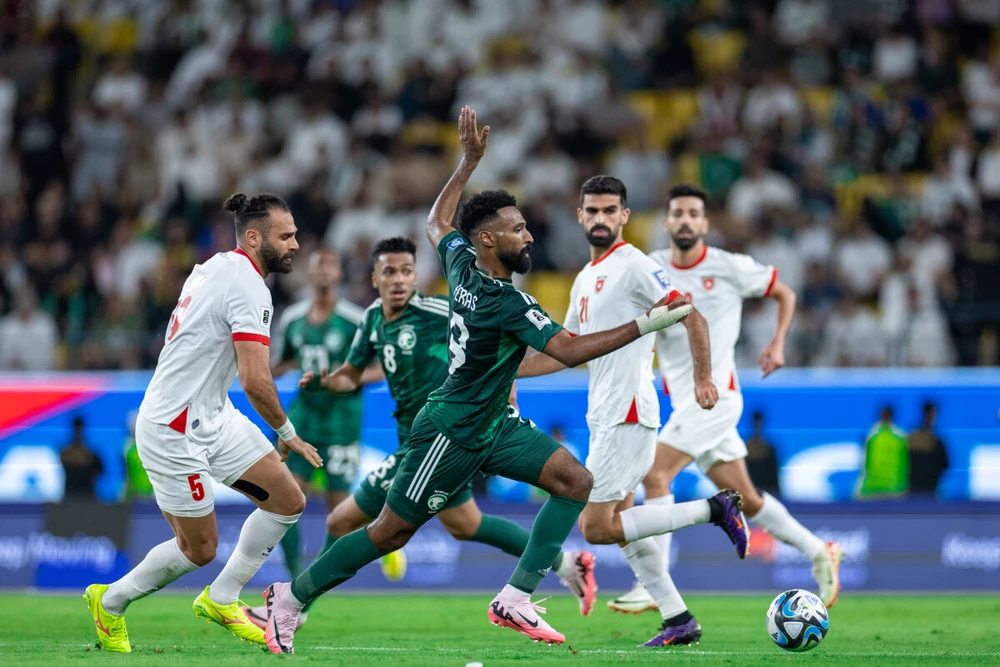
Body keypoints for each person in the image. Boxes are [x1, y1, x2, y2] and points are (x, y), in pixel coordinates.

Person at [259, 107, 694, 653]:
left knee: (574, 482)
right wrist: (645, 324)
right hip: (452, 430)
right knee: (389, 532)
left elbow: (437, 224)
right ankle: (290, 599)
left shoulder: (462, 263)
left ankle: (515, 597)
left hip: (494, 424)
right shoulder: (505, 301)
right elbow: (567, 350)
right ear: (489, 239)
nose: (528, 235)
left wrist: (466, 163)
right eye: (518, 229)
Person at [244, 236, 594, 631]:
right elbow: (351, 375)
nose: (398, 280)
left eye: (406, 271)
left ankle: (293, 606)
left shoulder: (440, 311)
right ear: (374, 278)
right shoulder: (373, 319)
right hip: (421, 442)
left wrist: (506, 384)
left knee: (343, 522)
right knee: (466, 525)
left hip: (436, 440)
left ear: (416, 277)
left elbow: (493, 343)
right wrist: (328, 381)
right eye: (389, 272)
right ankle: (566, 563)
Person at [84, 192, 322, 653]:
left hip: (212, 415)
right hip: (172, 429)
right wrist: (287, 433)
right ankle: (109, 602)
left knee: (288, 500)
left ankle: (222, 598)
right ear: (253, 238)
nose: (295, 244)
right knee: (199, 549)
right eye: (286, 236)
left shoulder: (214, 266)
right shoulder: (248, 286)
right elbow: (255, 380)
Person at [517, 175, 749, 648]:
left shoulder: (635, 265)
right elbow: (567, 351)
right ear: (580, 216)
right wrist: (509, 371)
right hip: (605, 414)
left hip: (627, 411)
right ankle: (678, 619)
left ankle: (714, 508)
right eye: (592, 210)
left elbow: (692, 315)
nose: (600, 218)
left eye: (610, 210)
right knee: (623, 528)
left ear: (624, 216)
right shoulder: (586, 277)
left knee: (595, 526)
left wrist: (703, 378)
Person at [608, 184, 843, 638]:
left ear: (705, 223)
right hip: (684, 402)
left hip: (718, 398)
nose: (685, 220)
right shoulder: (651, 267)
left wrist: (778, 343)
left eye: (693, 213)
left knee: (655, 475)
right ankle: (820, 551)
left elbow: (785, 293)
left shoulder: (728, 266)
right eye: (678, 213)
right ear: (666, 221)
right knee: (747, 499)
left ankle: (652, 583)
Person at [268, 248, 369, 581]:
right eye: (318, 265)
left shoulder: (356, 320)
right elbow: (284, 361)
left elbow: (381, 366)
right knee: (284, 501)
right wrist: (257, 367)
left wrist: (345, 380)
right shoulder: (292, 318)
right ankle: (297, 578)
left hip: (342, 423)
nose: (324, 271)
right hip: (303, 422)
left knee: (339, 514)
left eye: (330, 265)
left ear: (339, 273)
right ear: (309, 274)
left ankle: (312, 585)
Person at [859, 405, 909, 498]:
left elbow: (905, 465)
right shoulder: (900, 437)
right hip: (882, 489)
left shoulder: (872, 435)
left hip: (886, 489)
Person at [907, 401, 949, 496]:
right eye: (932, 414)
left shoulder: (912, 438)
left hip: (922, 490)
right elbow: (945, 465)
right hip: (923, 491)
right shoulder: (935, 441)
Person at [60, 416, 104, 500]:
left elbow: (100, 471)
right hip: (70, 497)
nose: (78, 432)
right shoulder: (66, 453)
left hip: (87, 497)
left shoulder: (91, 454)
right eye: (77, 429)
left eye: (80, 429)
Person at [745, 411, 781, 497]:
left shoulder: (769, 449)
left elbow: (774, 476)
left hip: (767, 493)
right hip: (749, 493)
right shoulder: (744, 448)